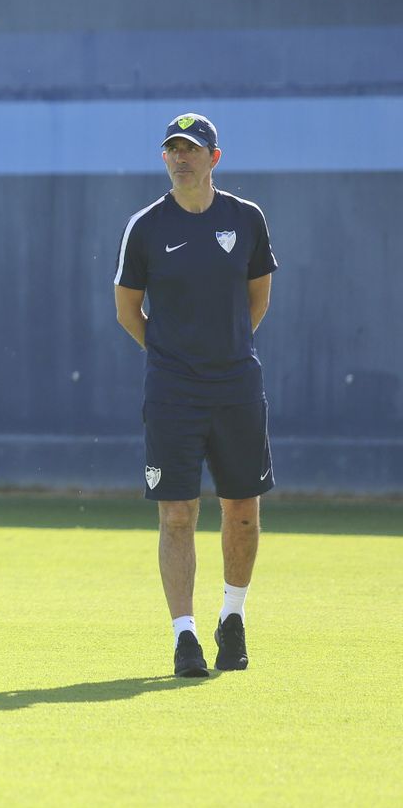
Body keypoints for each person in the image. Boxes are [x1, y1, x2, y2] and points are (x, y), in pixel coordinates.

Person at [114, 113, 276, 678]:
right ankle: (184, 639)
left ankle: (232, 617)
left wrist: (226, 351)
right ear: (165, 159)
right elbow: (127, 309)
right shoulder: (146, 226)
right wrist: (170, 356)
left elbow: (257, 298)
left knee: (243, 513)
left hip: (236, 385)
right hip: (173, 390)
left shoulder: (246, 219)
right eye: (173, 149)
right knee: (177, 514)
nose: (182, 157)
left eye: (193, 148)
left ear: (215, 157)